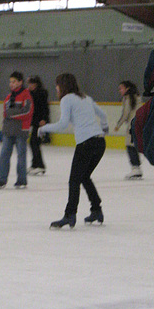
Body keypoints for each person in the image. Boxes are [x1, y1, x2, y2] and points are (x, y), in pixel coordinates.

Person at [38, 73, 108, 228]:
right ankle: (96, 209)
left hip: (86, 144)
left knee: (74, 180)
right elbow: (103, 115)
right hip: (99, 142)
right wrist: (104, 128)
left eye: (57, 85)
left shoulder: (66, 99)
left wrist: (44, 128)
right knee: (84, 177)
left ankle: (70, 215)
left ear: (62, 85)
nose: (56, 88)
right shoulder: (86, 98)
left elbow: (63, 125)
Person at [0, 71, 33, 189]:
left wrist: (12, 114)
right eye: (10, 82)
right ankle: (2, 179)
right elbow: (5, 112)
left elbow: (27, 112)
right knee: (4, 155)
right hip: (8, 131)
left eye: (14, 82)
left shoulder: (26, 95)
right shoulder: (8, 97)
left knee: (21, 156)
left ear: (20, 82)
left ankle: (21, 180)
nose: (11, 84)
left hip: (21, 131)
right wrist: (12, 114)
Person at [114, 80, 142, 179]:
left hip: (133, 125)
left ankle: (136, 168)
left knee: (130, 145)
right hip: (138, 124)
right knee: (133, 145)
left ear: (127, 88)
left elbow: (126, 113)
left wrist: (118, 124)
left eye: (121, 88)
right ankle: (137, 168)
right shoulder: (136, 96)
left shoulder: (128, 97)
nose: (120, 90)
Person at [27, 75, 50, 175]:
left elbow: (45, 107)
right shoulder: (31, 93)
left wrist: (44, 119)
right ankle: (35, 164)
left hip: (41, 122)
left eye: (31, 84)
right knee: (33, 143)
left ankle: (40, 165)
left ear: (36, 84)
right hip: (35, 121)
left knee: (35, 143)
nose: (29, 86)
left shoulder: (41, 93)